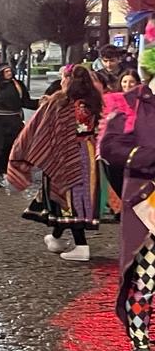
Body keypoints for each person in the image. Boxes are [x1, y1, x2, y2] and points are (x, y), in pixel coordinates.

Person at [7, 64, 104, 262]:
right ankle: (56, 237)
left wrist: (24, 151)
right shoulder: (94, 102)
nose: (61, 81)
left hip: (65, 154)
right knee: (77, 197)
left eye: (63, 78)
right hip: (88, 152)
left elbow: (39, 130)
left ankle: (81, 246)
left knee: (68, 196)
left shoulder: (60, 102)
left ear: (68, 80)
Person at [98, 47, 155, 351]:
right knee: (144, 280)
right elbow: (110, 147)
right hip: (148, 203)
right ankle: (141, 347)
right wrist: (149, 155)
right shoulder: (127, 101)